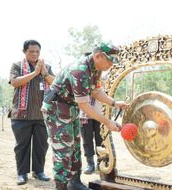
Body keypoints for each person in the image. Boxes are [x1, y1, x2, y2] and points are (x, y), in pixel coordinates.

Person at [41, 42, 128, 190]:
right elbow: (85, 106)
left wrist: (114, 103)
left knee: (75, 146)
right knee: (63, 150)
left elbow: (95, 91)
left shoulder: (96, 68)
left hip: (70, 108)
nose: (111, 65)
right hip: (56, 109)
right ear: (98, 56)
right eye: (109, 61)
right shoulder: (80, 71)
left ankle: (74, 183)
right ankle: (61, 187)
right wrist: (107, 122)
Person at [9, 40, 55, 185]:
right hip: (22, 114)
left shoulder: (46, 67)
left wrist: (44, 73)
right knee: (22, 145)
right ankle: (22, 173)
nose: (35, 54)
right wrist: (35, 73)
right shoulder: (17, 66)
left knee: (41, 145)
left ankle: (39, 171)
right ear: (24, 52)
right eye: (31, 51)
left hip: (42, 115)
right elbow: (15, 82)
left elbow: (55, 83)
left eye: (37, 52)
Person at [80, 96, 103, 175]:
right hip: (84, 114)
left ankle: (101, 163)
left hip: (99, 113)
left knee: (101, 140)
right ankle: (90, 164)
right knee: (87, 140)